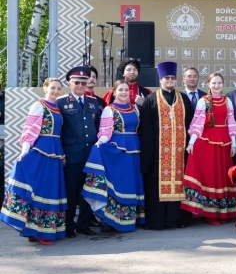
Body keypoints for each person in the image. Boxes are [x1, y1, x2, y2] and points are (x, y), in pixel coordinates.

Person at [0, 78, 67, 245]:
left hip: (55, 152)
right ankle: (34, 230)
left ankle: (41, 230)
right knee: (40, 190)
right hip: (41, 151)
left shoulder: (57, 108)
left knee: (50, 190)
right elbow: (29, 130)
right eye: (53, 88)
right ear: (45, 88)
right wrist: (24, 151)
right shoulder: (39, 105)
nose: (56, 91)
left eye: (59, 89)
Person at [82, 79, 145, 232]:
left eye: (126, 90)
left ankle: (132, 219)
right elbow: (105, 130)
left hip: (135, 150)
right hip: (117, 151)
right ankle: (113, 220)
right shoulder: (109, 109)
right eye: (120, 90)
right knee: (119, 182)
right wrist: (100, 142)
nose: (123, 93)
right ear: (114, 92)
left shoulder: (135, 108)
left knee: (133, 182)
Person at [139, 61, 194, 230]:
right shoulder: (151, 99)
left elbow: (191, 125)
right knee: (156, 187)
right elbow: (145, 130)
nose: (170, 80)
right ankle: (157, 221)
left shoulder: (183, 99)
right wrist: (148, 156)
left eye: (172, 78)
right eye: (166, 78)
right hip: (157, 155)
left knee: (180, 185)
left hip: (179, 154)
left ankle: (176, 220)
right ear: (160, 79)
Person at [181, 72, 236, 225]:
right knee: (210, 176)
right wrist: (192, 143)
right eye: (214, 83)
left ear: (223, 84)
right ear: (208, 85)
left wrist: (234, 143)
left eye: (219, 83)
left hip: (224, 142)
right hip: (206, 143)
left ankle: (222, 213)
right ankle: (210, 214)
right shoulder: (203, 101)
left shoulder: (228, 101)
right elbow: (197, 123)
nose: (217, 86)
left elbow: (231, 122)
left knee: (222, 176)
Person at [57, 66, 101, 238]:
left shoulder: (93, 102)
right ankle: (69, 226)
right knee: (71, 192)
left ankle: (84, 224)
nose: (81, 85)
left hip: (91, 155)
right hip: (72, 155)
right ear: (69, 83)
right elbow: (57, 131)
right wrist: (61, 154)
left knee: (89, 191)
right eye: (77, 82)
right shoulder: (60, 102)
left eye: (84, 82)